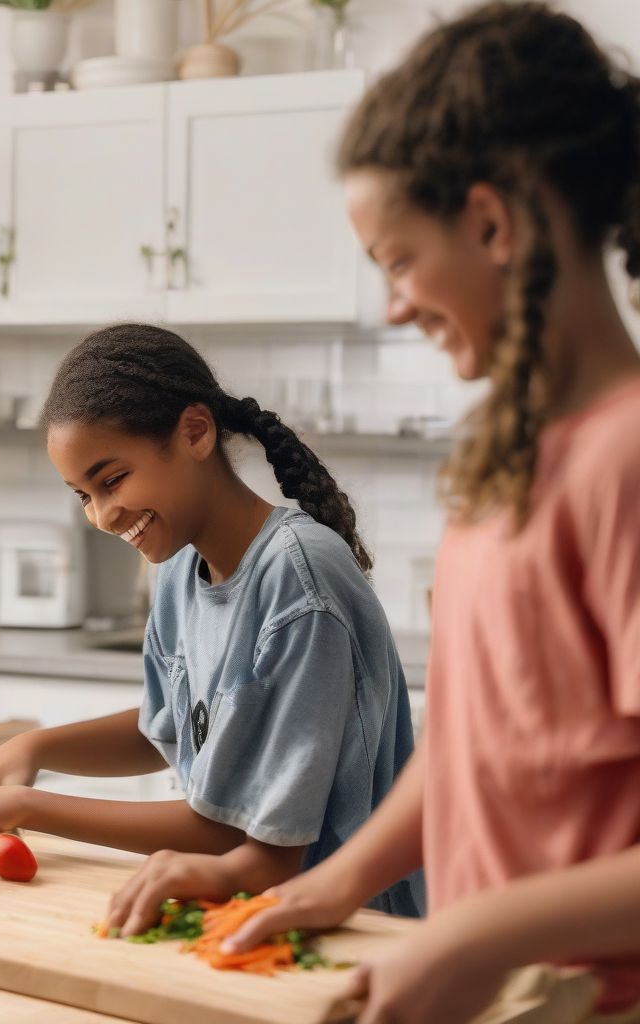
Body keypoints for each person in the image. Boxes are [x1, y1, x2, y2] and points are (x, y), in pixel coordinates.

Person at [203, 4, 640, 1022]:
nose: (394, 304)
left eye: (398, 261)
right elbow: (476, 754)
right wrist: (325, 883)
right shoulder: (508, 460)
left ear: (492, 225)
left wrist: (468, 936)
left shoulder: (624, 459)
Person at [0, 323, 422, 918]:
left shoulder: (299, 578)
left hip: (352, 927)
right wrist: (35, 746)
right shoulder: (177, 563)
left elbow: (234, 836)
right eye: (83, 495)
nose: (103, 516)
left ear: (195, 432)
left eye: (112, 480)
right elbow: (171, 728)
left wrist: (30, 806)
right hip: (247, 914)